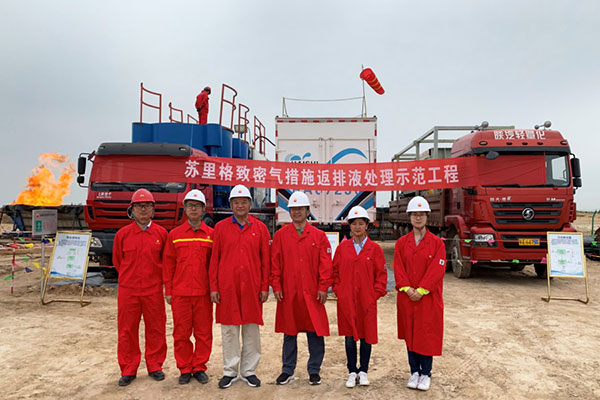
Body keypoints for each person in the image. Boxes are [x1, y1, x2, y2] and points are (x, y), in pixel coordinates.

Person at [209, 184, 271, 389]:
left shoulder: (260, 229)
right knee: (229, 330)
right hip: (227, 286)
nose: (240, 205)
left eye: (244, 202)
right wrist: (214, 287)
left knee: (251, 329)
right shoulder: (220, 228)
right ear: (231, 205)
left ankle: (249, 371)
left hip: (252, 286)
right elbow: (214, 260)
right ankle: (229, 371)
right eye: (236, 202)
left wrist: (264, 286)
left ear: (250, 204)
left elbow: (266, 261)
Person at [270, 191, 332, 386]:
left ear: (307, 211)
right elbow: (275, 263)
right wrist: (276, 285)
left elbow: (325, 264)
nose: (296, 212)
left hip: (312, 292)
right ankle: (287, 370)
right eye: (293, 209)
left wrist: (323, 287)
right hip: (289, 291)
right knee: (290, 331)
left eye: (300, 209)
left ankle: (314, 370)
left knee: (315, 331)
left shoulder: (319, 236)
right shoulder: (281, 235)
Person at [112, 189, 168, 387]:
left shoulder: (161, 234)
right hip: (129, 291)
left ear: (153, 209)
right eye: (139, 206)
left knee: (156, 328)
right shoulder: (122, 235)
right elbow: (118, 261)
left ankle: (155, 365)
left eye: (147, 206)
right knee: (127, 330)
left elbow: (165, 262)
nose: (143, 209)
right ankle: (128, 369)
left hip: (153, 290)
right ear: (132, 209)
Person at [393, 196, 446, 391]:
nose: (418, 218)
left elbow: (437, 269)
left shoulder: (437, 243)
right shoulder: (401, 243)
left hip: (427, 298)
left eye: (421, 214)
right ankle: (414, 371)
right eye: (415, 214)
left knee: (426, 335)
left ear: (427, 217)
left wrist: (422, 290)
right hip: (407, 297)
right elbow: (398, 268)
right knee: (411, 334)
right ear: (409, 217)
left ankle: (426, 373)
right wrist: (407, 288)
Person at [332, 206, 387, 388]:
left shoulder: (374, 249)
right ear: (349, 226)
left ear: (366, 226)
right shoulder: (342, 248)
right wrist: (339, 291)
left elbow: (381, 275)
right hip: (347, 300)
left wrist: (374, 294)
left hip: (366, 301)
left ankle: (363, 371)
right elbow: (335, 272)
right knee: (349, 337)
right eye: (354, 223)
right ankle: (351, 371)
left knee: (366, 336)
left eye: (361, 223)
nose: (357, 227)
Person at [163, 189, 213, 385]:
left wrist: (214, 289)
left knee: (203, 333)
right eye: (190, 206)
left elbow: (214, 266)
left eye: (197, 206)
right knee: (181, 333)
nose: (194, 209)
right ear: (184, 208)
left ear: (203, 209)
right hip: (181, 293)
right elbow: (168, 265)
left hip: (203, 293)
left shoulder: (211, 235)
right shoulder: (174, 235)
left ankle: (199, 366)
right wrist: (169, 290)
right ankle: (184, 367)